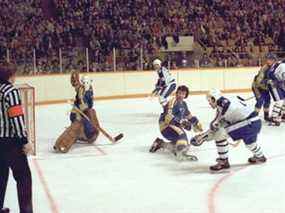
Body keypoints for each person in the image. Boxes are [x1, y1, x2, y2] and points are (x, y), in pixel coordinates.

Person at [191, 89, 266, 172]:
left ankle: (223, 161)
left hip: (248, 124)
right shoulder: (227, 100)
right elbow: (220, 120)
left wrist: (203, 137)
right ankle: (260, 156)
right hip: (255, 122)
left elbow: (217, 126)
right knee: (250, 143)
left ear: (214, 98)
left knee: (219, 135)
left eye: (209, 100)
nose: (209, 103)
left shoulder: (223, 104)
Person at [0, 62, 33, 213]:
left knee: (1, 177)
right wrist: (24, 141)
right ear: (11, 76)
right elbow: (17, 118)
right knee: (24, 177)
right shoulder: (10, 91)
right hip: (11, 143)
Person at [149, 85, 203, 161]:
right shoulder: (172, 102)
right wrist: (182, 122)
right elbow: (168, 117)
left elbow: (189, 116)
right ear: (176, 93)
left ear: (186, 95)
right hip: (165, 125)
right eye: (179, 93)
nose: (181, 95)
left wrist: (196, 123)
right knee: (182, 136)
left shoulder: (183, 104)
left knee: (184, 144)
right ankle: (180, 154)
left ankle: (160, 143)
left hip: (174, 126)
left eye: (183, 94)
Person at [53, 72, 100, 153]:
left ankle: (89, 135)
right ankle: (61, 144)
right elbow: (76, 87)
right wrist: (75, 81)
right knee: (76, 127)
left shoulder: (90, 90)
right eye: (84, 82)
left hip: (84, 113)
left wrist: (87, 110)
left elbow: (90, 105)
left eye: (87, 82)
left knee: (92, 113)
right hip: (77, 113)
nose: (85, 84)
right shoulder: (81, 89)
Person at [264, 53, 285, 125]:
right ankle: (274, 117)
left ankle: (282, 115)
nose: (267, 61)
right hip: (274, 86)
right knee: (279, 101)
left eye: (269, 59)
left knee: (283, 101)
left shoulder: (278, 65)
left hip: (279, 85)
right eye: (267, 59)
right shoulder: (279, 66)